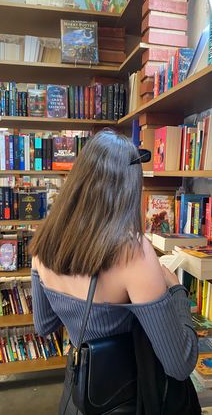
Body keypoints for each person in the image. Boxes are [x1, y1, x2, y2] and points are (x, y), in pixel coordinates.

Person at [30, 129, 198, 414]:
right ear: (129, 187)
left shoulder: (44, 241)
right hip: (126, 398)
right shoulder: (133, 252)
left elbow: (43, 324)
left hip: (82, 396)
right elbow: (180, 363)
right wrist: (177, 290)